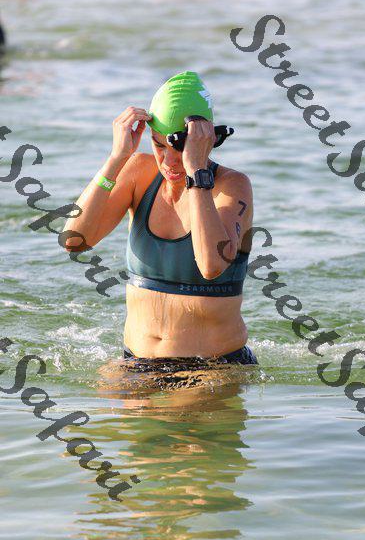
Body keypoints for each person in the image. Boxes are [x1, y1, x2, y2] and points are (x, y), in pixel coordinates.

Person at [63, 71, 258, 365]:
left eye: (178, 147)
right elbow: (74, 241)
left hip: (213, 367)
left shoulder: (231, 186)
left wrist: (196, 171)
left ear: (205, 140)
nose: (168, 161)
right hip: (136, 361)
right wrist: (116, 159)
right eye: (158, 145)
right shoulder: (139, 173)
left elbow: (211, 266)